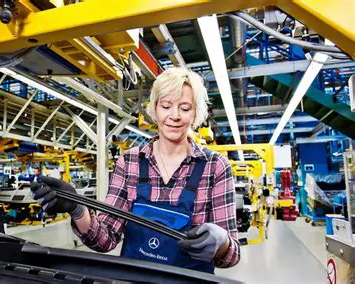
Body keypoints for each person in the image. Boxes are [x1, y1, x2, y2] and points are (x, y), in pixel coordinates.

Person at [32, 67, 240, 273]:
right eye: (166, 106)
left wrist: (220, 244)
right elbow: (105, 239)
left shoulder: (215, 166)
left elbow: (232, 255)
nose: (174, 116)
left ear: (196, 113)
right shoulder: (129, 162)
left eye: (185, 108)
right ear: (155, 109)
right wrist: (77, 209)